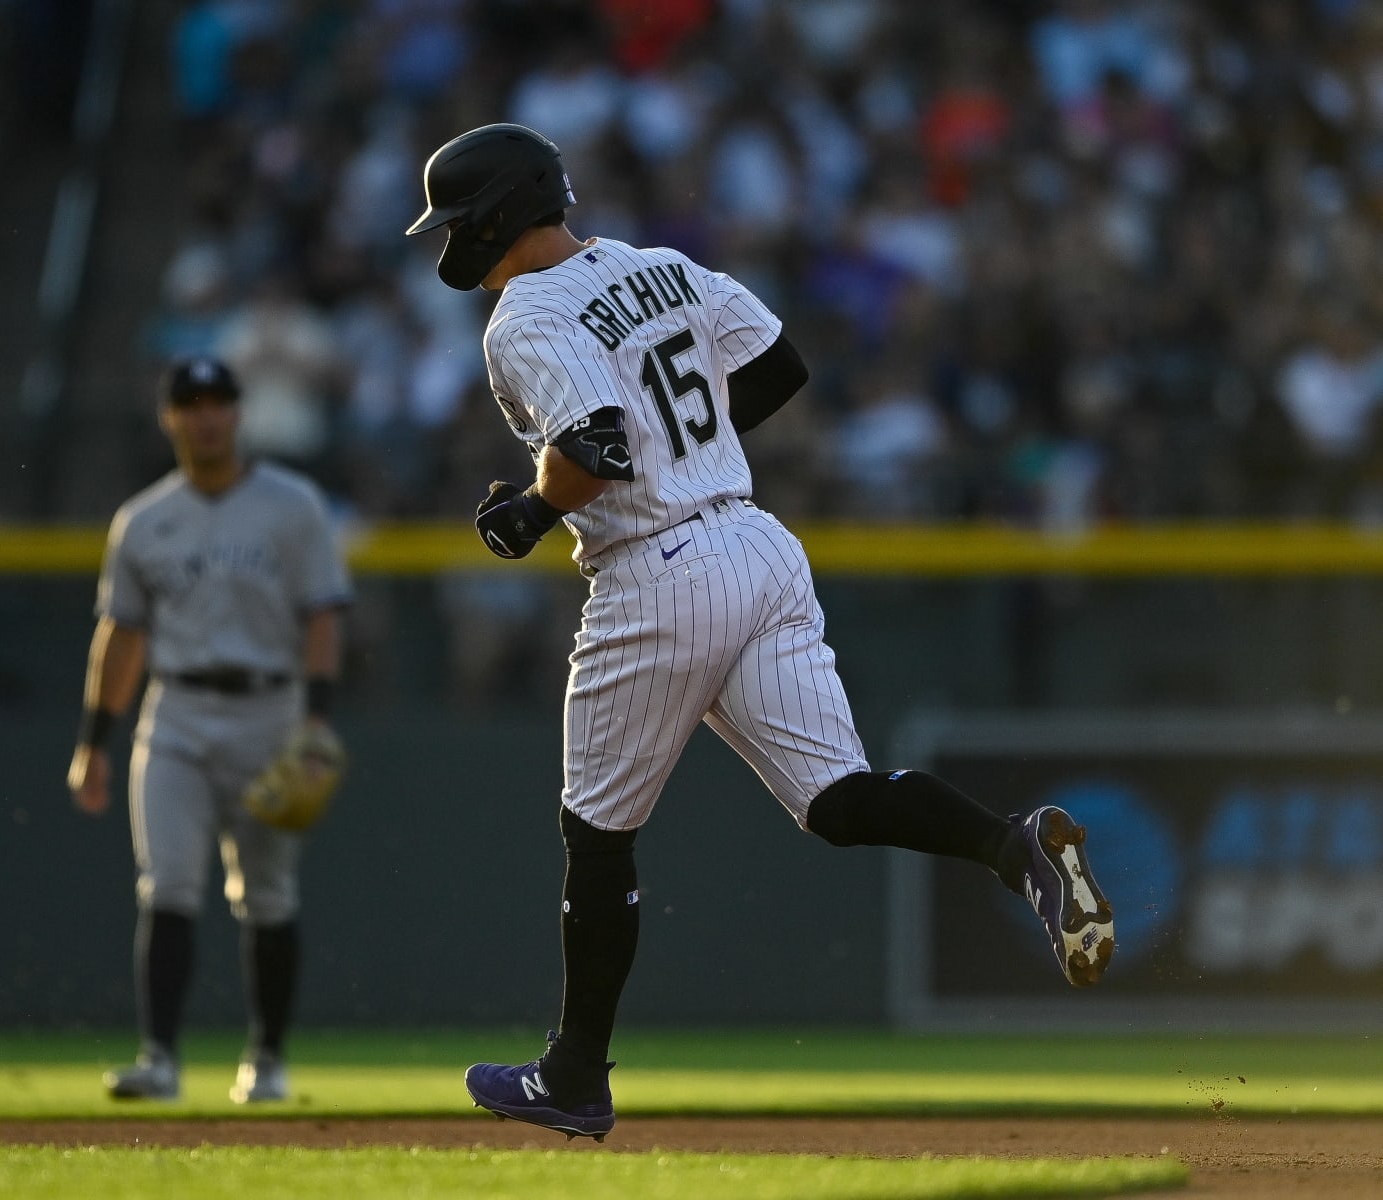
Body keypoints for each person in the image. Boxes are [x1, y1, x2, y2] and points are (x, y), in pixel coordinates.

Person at [403, 124, 1115, 1141]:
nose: (452, 242)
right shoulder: (659, 265)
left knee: (596, 837)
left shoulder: (526, 314)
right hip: (754, 540)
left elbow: (597, 445)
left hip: (655, 571)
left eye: (459, 219)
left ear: (497, 214)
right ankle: (1017, 847)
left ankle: (571, 1077)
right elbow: (779, 366)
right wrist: (682, 456)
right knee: (838, 801)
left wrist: (529, 508)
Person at [67, 356, 352, 1104]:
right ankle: (159, 1058)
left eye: (219, 401)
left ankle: (267, 1061)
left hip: (270, 710)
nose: (206, 415)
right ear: (169, 418)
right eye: (190, 403)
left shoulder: (293, 506)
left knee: (268, 895)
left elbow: (323, 615)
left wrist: (316, 722)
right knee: (168, 884)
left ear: (238, 412)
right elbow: (121, 639)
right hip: (179, 714)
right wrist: (94, 742)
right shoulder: (143, 519)